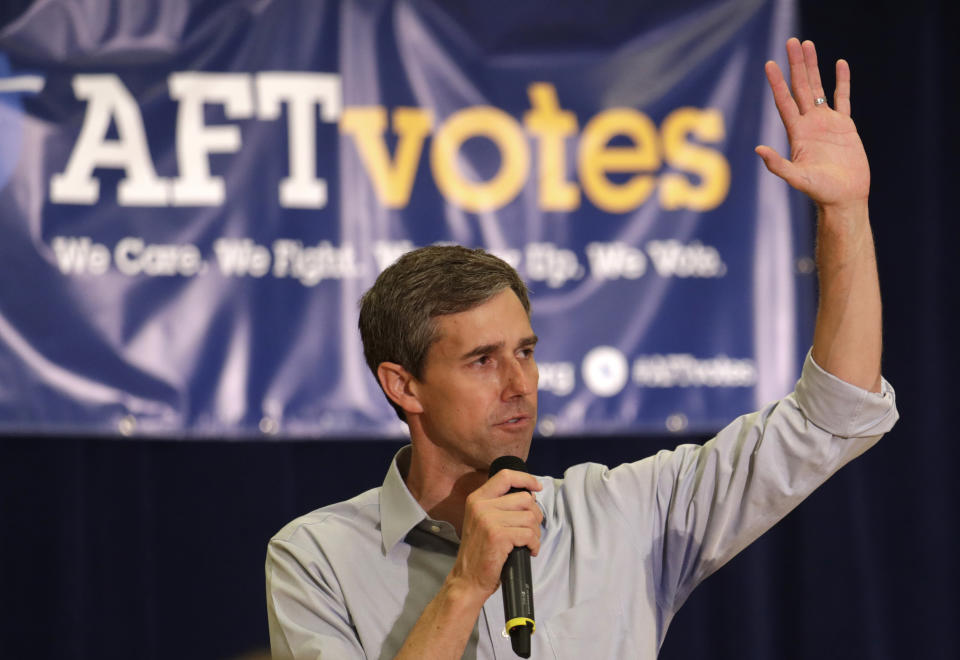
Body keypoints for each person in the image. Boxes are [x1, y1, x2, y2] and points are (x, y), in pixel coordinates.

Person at [265, 39, 898, 659]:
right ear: (403, 386)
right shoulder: (316, 558)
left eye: (526, 352)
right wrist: (465, 587)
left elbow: (830, 417)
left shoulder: (625, 513)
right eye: (483, 360)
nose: (520, 384)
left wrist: (845, 213)